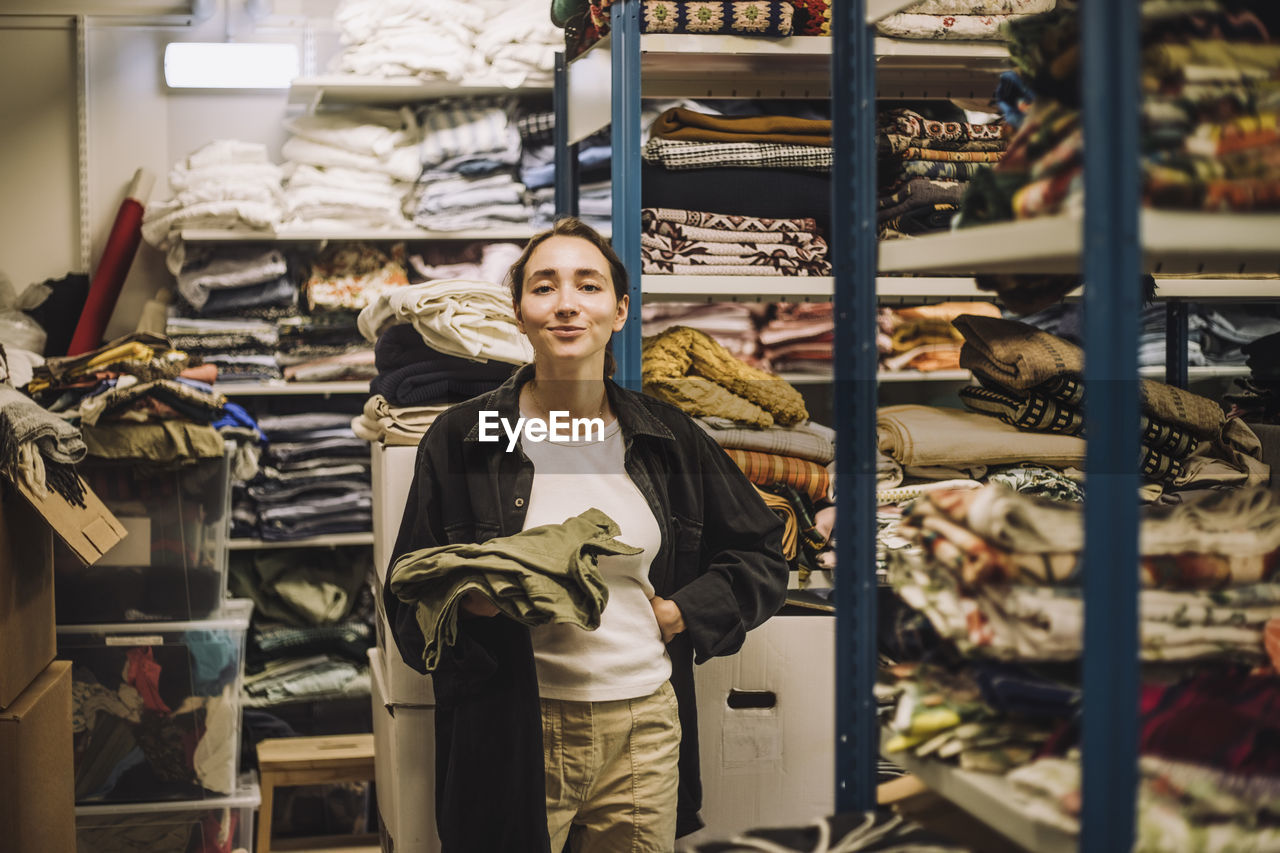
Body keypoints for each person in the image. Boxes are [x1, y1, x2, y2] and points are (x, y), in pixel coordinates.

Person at [384, 217, 789, 852]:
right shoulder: (470, 437)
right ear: (519, 312)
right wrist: (475, 604)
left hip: (644, 727)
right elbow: (407, 597)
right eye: (544, 287)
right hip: (513, 729)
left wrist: (683, 610)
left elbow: (762, 552)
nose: (567, 304)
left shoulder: (665, 436)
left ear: (620, 310)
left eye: (588, 286)